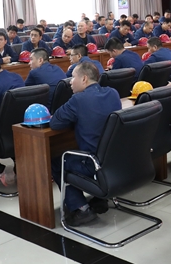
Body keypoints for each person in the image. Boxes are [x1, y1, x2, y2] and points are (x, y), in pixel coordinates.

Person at [50, 61, 122, 226]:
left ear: (84, 79)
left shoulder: (79, 99)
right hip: (114, 160)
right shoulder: (113, 93)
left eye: (73, 77)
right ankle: (99, 199)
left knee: (58, 161)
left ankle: (81, 208)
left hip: (93, 164)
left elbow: (55, 123)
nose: (70, 82)